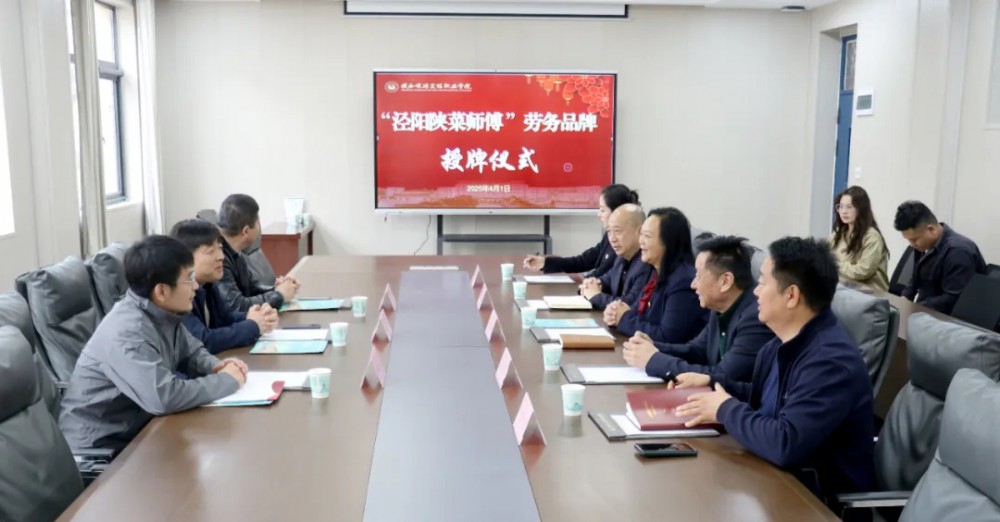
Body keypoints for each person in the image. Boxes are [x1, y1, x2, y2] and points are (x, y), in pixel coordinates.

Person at [673, 237, 874, 505]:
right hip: (774, 481)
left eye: (763, 283)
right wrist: (711, 383)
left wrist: (724, 409)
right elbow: (765, 400)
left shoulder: (830, 363)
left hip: (817, 503)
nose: (755, 292)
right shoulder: (780, 344)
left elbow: (785, 442)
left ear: (791, 295)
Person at [59, 236, 247, 452]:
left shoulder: (160, 311)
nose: (196, 286)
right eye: (189, 279)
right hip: (102, 449)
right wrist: (226, 381)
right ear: (161, 291)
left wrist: (215, 366)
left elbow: (191, 351)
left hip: (139, 428)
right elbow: (164, 397)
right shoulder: (127, 333)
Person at [622, 236, 773, 384]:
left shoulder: (755, 318)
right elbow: (696, 350)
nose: (693, 284)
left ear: (725, 281)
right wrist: (653, 347)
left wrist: (654, 360)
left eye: (698, 276)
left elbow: (721, 376)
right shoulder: (720, 305)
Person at [171, 219, 279, 354]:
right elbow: (203, 340)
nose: (221, 257)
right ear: (184, 257)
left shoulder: (208, 286)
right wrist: (252, 326)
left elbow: (225, 319)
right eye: (211, 251)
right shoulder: (177, 295)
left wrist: (258, 317)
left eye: (220, 248)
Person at [603, 207, 707, 343]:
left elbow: (666, 336)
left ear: (668, 241)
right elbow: (635, 311)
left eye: (647, 236)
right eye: (641, 235)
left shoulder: (683, 281)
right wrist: (615, 313)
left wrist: (623, 319)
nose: (641, 241)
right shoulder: (656, 272)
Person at [522, 184, 639, 278]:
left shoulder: (624, 244)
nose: (599, 215)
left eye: (602, 210)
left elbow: (602, 275)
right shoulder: (608, 237)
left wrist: (584, 282)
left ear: (617, 212)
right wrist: (545, 262)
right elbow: (583, 261)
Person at [893, 200, 986, 314]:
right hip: (927, 313)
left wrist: (915, 307)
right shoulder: (925, 246)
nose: (912, 245)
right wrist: (905, 298)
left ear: (931, 230)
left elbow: (953, 300)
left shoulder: (958, 252)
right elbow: (916, 278)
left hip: (950, 319)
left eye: (914, 239)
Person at [216, 194, 299, 312]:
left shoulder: (236, 252)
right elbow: (237, 306)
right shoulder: (219, 259)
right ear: (246, 231)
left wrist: (277, 289)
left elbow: (252, 289)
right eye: (257, 223)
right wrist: (279, 296)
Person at [579, 204, 652, 310]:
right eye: (609, 231)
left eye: (617, 231)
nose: (612, 239)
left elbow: (629, 305)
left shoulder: (646, 263)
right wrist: (592, 284)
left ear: (639, 231)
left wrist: (595, 296)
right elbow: (607, 280)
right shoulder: (621, 258)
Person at [830, 186, 889, 291]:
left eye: (849, 207)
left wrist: (835, 265)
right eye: (841, 206)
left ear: (861, 209)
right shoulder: (840, 232)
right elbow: (825, 255)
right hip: (846, 287)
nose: (843, 211)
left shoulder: (872, 237)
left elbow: (862, 271)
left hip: (870, 292)